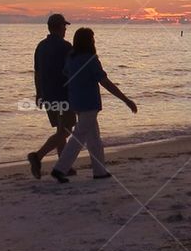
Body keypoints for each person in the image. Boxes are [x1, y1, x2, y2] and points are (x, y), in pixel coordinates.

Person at [50, 27, 137, 183]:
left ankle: (99, 171)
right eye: (92, 38)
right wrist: (126, 100)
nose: (94, 41)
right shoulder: (90, 59)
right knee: (79, 136)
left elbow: (65, 73)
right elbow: (104, 82)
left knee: (94, 138)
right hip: (89, 103)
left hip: (76, 101)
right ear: (89, 41)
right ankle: (60, 168)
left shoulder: (71, 57)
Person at [27, 13, 77, 179]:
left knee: (60, 129)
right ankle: (38, 156)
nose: (65, 30)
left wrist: (39, 93)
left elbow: (37, 73)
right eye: (64, 27)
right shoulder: (65, 46)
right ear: (59, 27)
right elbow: (72, 71)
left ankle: (64, 165)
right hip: (63, 94)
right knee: (65, 130)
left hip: (48, 94)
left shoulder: (40, 46)